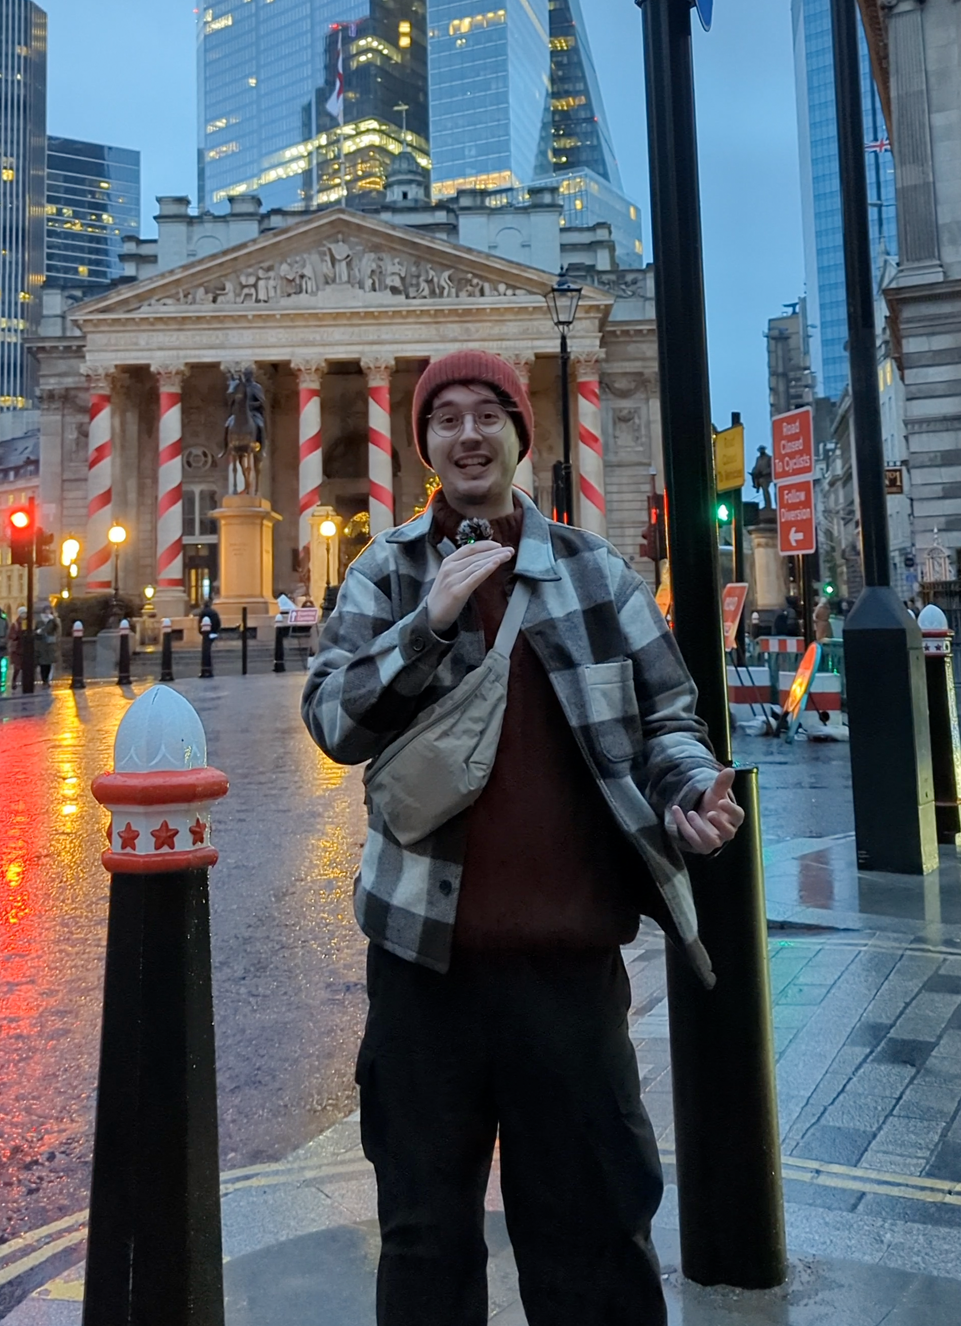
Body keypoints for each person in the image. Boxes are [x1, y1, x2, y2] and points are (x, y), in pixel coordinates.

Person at [303, 349, 744, 1326]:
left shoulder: (594, 572)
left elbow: (669, 714)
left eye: (487, 414)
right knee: (424, 1242)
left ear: (518, 434)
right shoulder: (386, 573)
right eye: (446, 418)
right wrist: (429, 623)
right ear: (422, 446)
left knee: (593, 1240)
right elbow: (334, 720)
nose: (467, 433)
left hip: (569, 975)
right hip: (425, 975)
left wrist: (687, 788)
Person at [34, 606, 60, 688]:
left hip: (50, 645)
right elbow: (36, 632)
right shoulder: (39, 621)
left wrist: (54, 619)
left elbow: (57, 629)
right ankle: (44, 680)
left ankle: (47, 680)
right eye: (46, 610)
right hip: (42, 645)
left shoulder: (53, 621)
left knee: (49, 664)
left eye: (49, 610)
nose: (47, 612)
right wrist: (38, 632)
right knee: (42, 665)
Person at [6, 609, 25, 692]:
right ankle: (14, 681)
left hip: (25, 648)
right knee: (17, 667)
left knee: (25, 667)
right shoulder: (15, 624)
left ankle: (24, 682)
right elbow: (11, 635)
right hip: (17, 649)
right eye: (23, 613)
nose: (25, 615)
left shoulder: (28, 623)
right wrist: (16, 636)